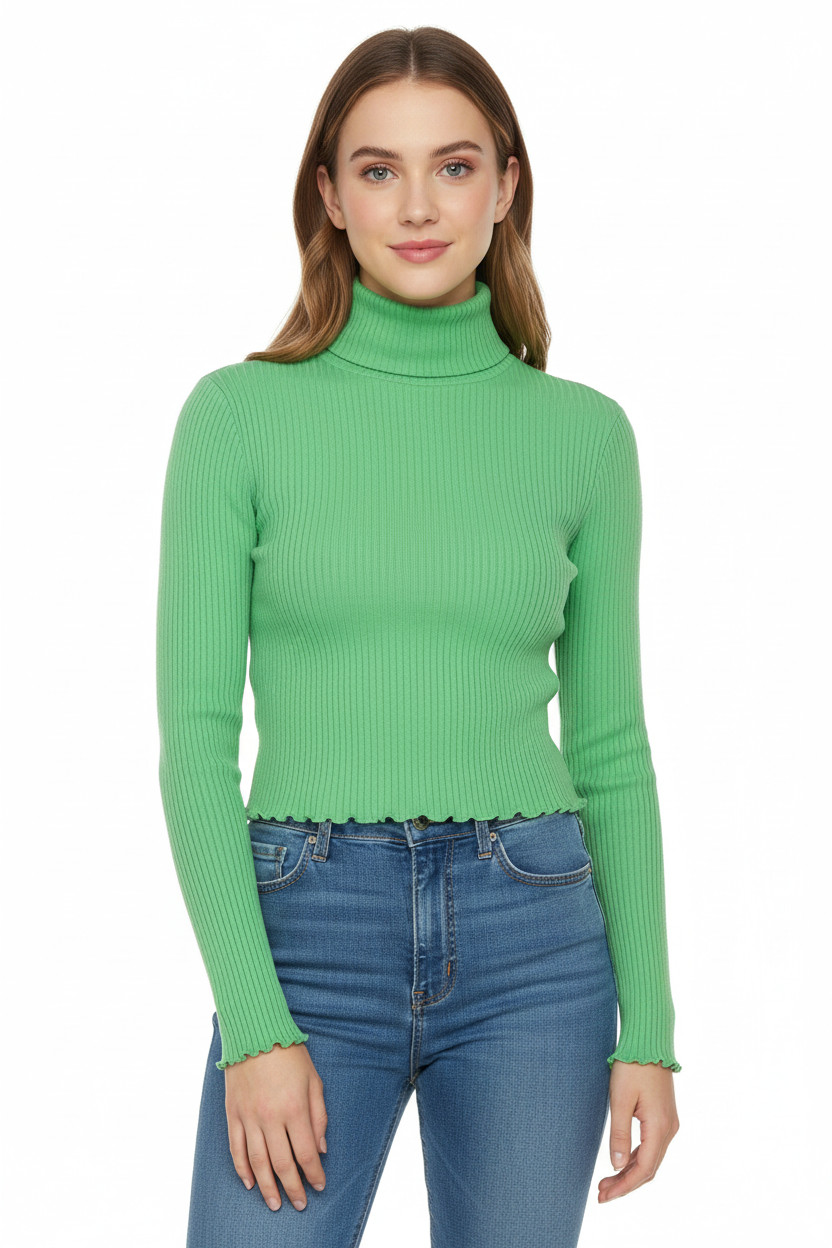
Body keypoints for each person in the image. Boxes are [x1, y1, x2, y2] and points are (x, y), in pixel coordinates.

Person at [156, 25, 681, 1248]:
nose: (417, 206)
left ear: (505, 185)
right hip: (305, 935)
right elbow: (194, 747)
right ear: (330, 197)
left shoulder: (584, 436)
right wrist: (256, 1025)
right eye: (378, 170)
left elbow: (611, 746)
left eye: (453, 166)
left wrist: (649, 1030)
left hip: (535, 942)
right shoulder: (237, 417)